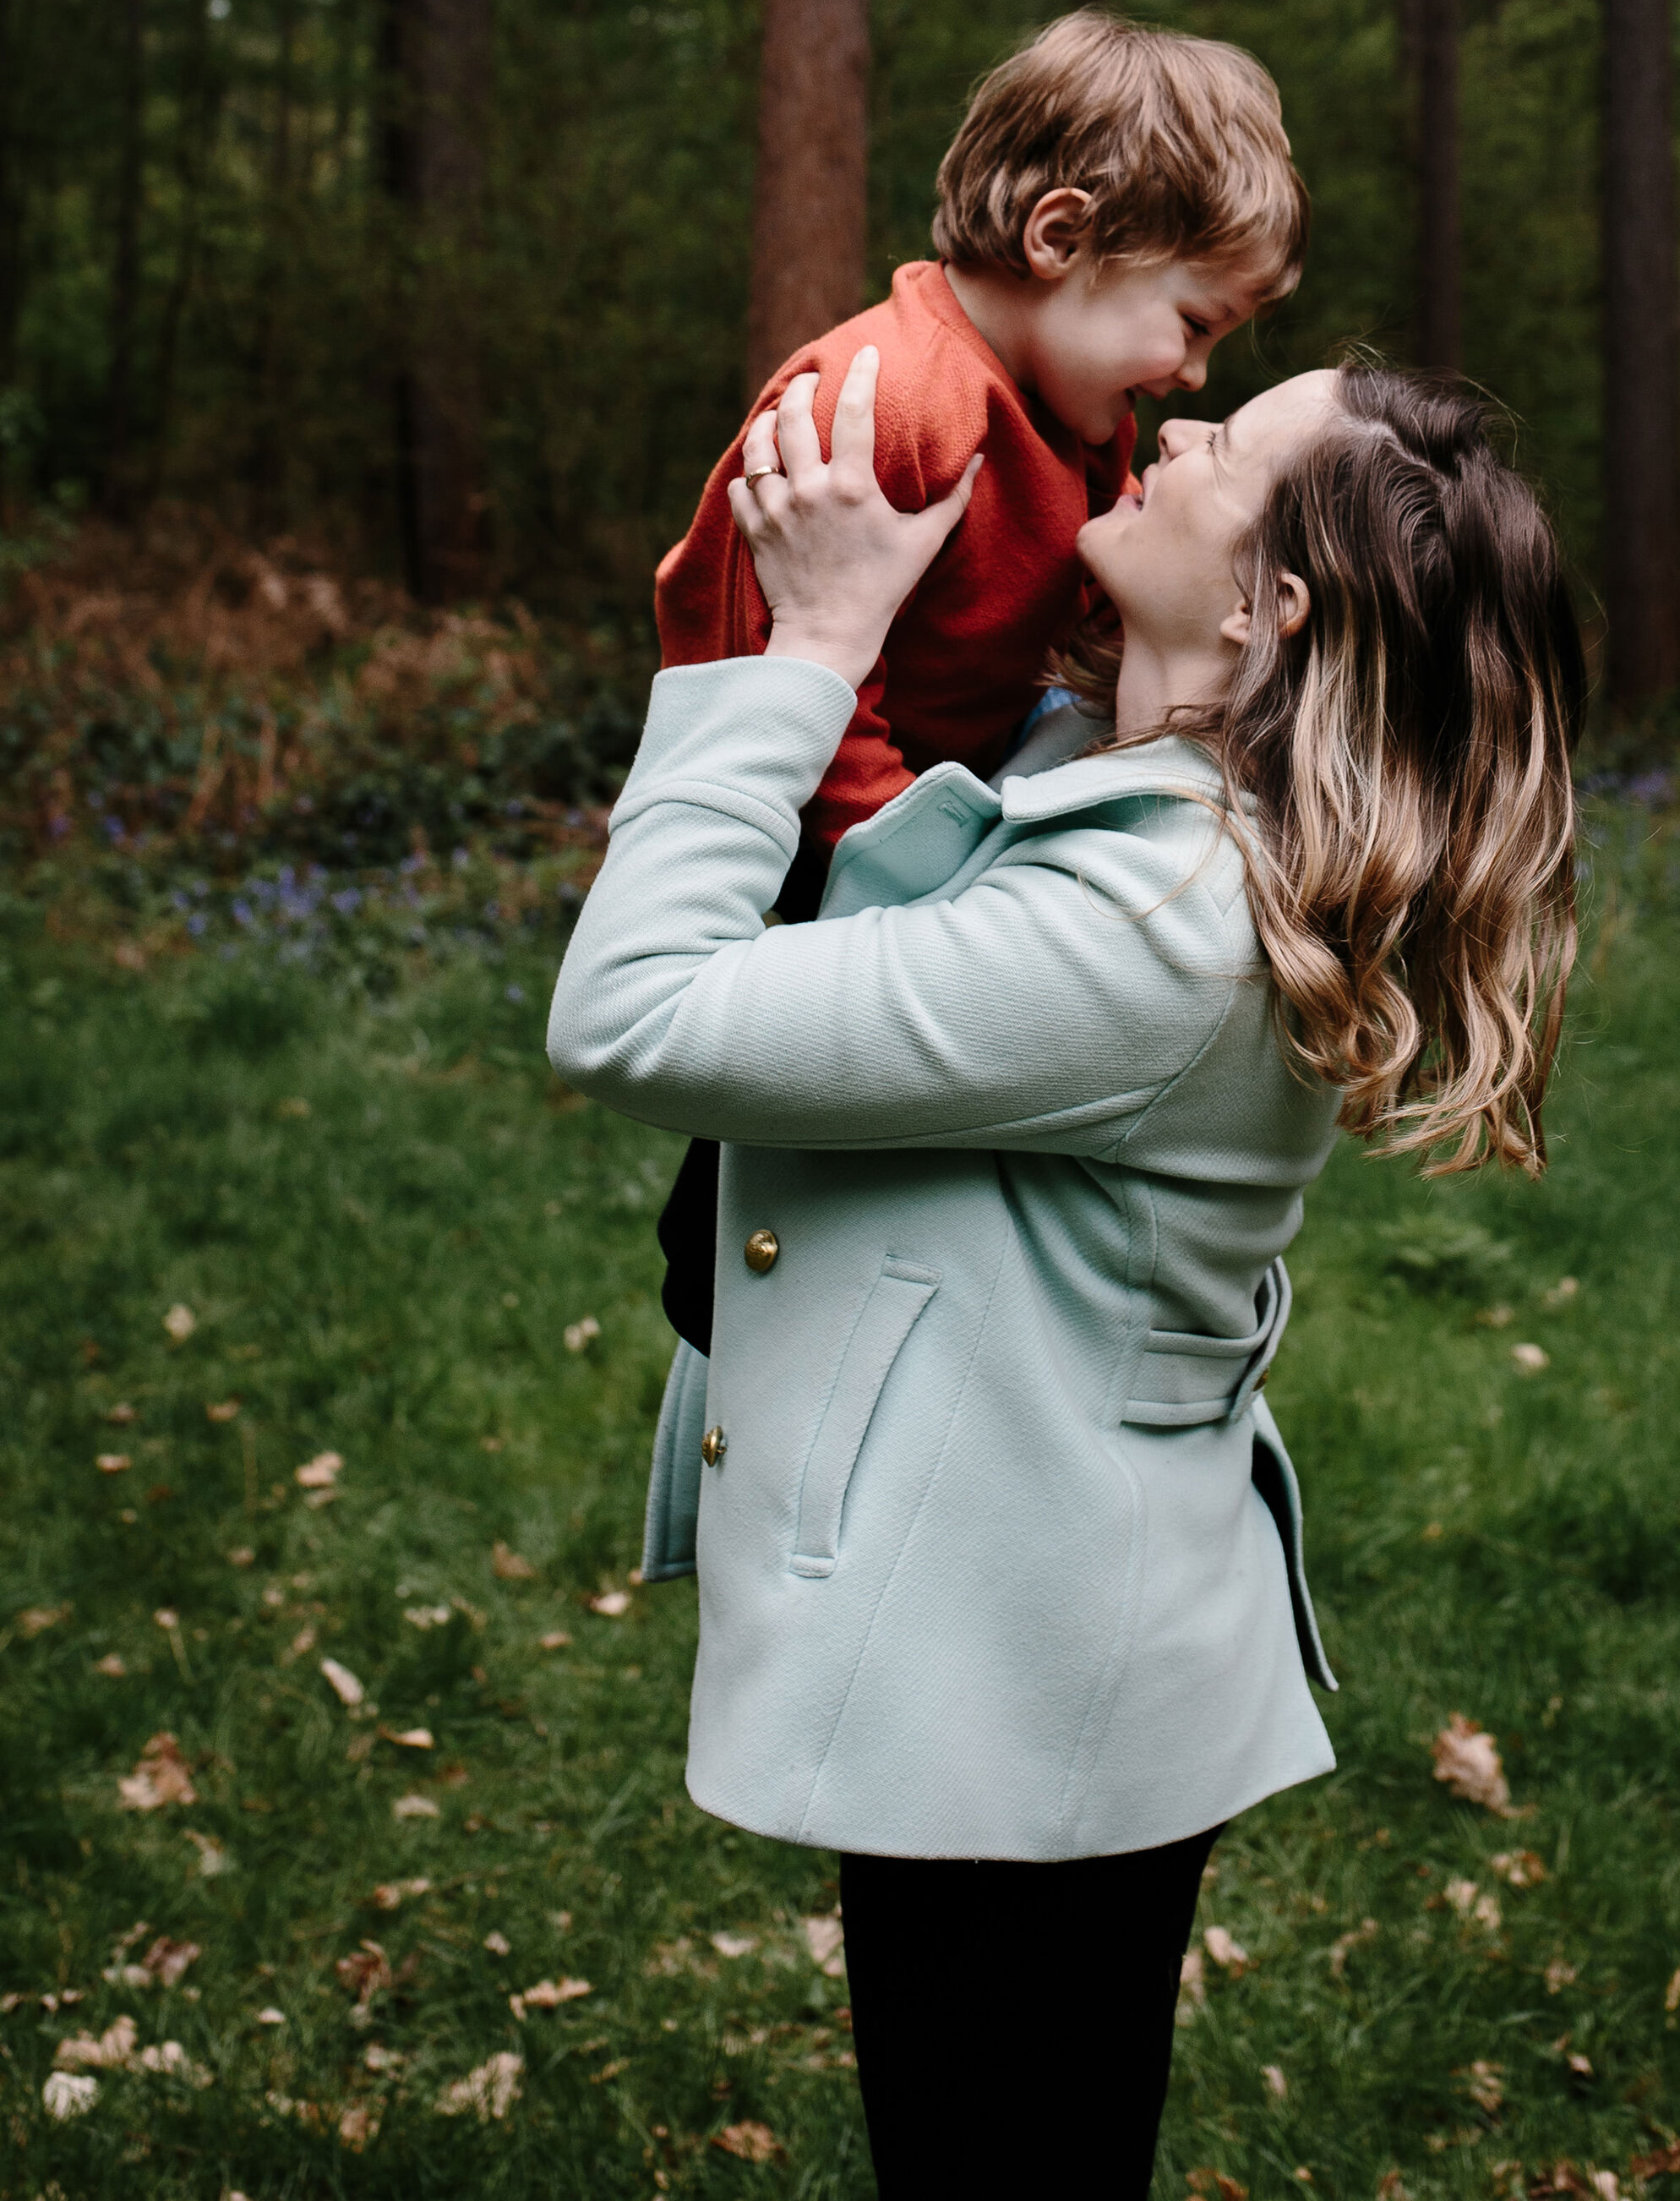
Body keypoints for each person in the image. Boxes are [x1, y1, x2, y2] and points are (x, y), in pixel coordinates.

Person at [547, 344, 1585, 2199]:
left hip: (1021, 1687)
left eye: (1227, 444)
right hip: (1031, 1633)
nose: (1177, 429)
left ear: (1270, 605)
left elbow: (632, 1016)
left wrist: (792, 656)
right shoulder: (1113, 791)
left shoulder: (1156, 926)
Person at [647, 9, 1308, 1353]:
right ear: (1061, 239)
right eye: (1191, 321)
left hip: (948, 789)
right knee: (768, 1124)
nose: (1191, 372)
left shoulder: (1078, 411)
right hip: (816, 817)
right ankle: (733, 1284)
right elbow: (759, 655)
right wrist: (908, 860)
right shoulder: (886, 403)